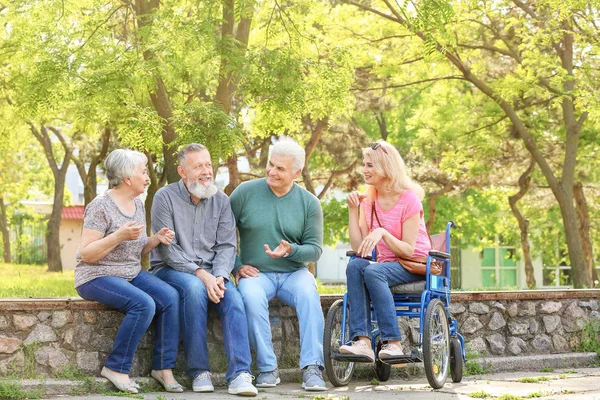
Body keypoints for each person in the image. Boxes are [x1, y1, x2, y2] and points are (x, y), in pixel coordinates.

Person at [150, 143, 258, 397]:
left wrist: (219, 276)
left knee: (233, 299)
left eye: (208, 164)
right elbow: (168, 250)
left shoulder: (221, 201)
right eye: (198, 166)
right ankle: (199, 371)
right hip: (171, 269)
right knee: (194, 288)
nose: (206, 171)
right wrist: (201, 273)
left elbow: (227, 246)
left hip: (213, 271)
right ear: (182, 171)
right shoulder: (164, 197)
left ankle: (240, 374)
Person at [75, 149, 183, 394]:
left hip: (129, 272)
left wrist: (155, 239)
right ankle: (116, 367)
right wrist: (117, 236)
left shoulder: (136, 203)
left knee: (170, 297)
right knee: (144, 304)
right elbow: (87, 253)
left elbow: (135, 249)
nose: (148, 176)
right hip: (96, 275)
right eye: (143, 172)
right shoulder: (100, 206)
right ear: (127, 178)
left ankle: (163, 367)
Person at [230, 139, 327, 392]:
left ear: (296, 173)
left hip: (294, 273)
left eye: (280, 169)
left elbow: (315, 250)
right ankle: (267, 368)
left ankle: (313, 367)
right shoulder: (244, 193)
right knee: (249, 297)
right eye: (270, 165)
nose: (272, 171)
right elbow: (222, 236)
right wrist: (237, 265)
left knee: (309, 293)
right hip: (255, 274)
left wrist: (291, 250)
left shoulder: (309, 203)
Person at [339, 140, 431, 362]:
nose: (364, 170)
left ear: (386, 167)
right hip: (385, 265)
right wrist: (353, 210)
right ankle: (362, 341)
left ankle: (394, 343)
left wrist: (382, 232)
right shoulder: (368, 201)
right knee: (355, 266)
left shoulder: (409, 200)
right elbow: (358, 248)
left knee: (373, 272)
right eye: (364, 164)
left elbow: (408, 250)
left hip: (412, 263)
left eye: (370, 165)